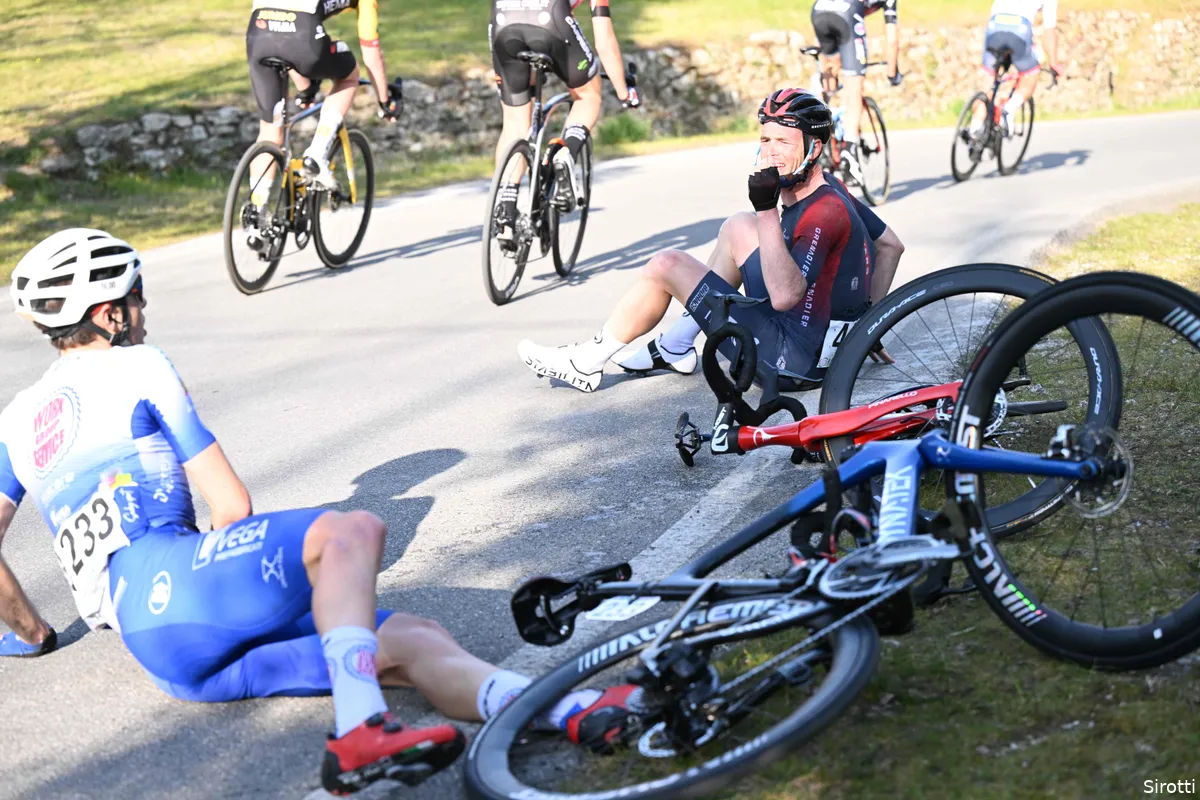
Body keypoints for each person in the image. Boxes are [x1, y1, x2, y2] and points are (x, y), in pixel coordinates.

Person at [0, 229, 638, 794]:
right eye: (137, 299)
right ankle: (359, 732)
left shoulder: (17, 419)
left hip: (162, 647)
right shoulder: (137, 365)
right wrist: (263, 580)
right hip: (177, 582)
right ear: (109, 313)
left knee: (412, 639)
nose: (145, 312)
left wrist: (33, 634)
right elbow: (231, 506)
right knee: (348, 535)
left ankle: (576, 712)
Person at [517, 89, 905, 393]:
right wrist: (865, 329)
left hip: (788, 364)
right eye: (765, 139)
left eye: (783, 143)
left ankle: (587, 361)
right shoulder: (831, 187)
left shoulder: (823, 212)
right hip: (815, 347)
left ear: (814, 148)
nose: (769, 152)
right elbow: (891, 245)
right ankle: (677, 345)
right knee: (739, 225)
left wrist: (767, 207)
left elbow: (786, 297)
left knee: (667, 265)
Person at [243, 0, 401, 248]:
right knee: (349, 74)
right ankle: (317, 155)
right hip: (300, 35)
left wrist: (305, 89)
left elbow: (286, 36)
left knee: (270, 132)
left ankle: (257, 216)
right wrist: (384, 100)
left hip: (259, 33)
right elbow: (371, 52)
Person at [490, 0, 639, 232]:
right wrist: (624, 91)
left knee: (515, 121)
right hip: (551, 21)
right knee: (588, 96)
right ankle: (565, 152)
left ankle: (505, 206)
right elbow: (605, 43)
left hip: (503, 23)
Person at [809, 0, 902, 182]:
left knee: (831, 70)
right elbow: (892, 40)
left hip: (819, 9)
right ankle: (849, 149)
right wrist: (893, 73)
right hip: (847, 12)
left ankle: (825, 131)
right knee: (854, 88)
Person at [971, 0, 1060, 137]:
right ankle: (1008, 110)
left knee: (987, 86)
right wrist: (1054, 64)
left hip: (994, 28)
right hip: (1020, 30)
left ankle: (974, 129)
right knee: (1031, 75)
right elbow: (1049, 34)